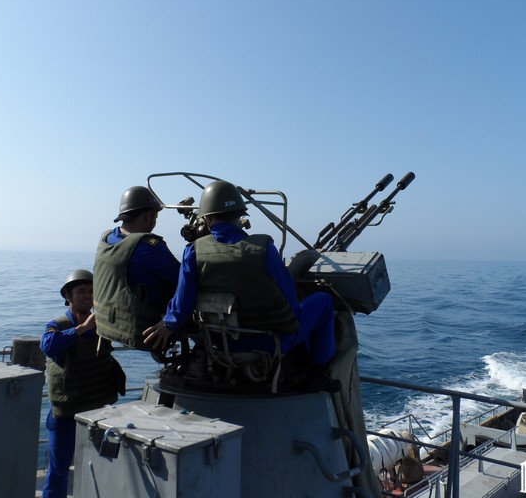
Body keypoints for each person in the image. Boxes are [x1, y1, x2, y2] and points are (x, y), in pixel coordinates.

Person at [143, 180, 336, 367]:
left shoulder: (193, 252)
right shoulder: (264, 248)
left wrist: (169, 323)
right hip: (270, 342)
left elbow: (184, 301)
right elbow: (290, 300)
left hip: (219, 343)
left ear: (207, 219)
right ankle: (321, 366)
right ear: (240, 216)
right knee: (324, 302)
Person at [41, 269, 125, 498]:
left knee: (102, 467)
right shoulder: (58, 325)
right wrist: (82, 328)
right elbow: (48, 345)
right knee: (58, 471)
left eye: (91, 291)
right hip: (67, 414)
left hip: (98, 410)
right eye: (81, 291)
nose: (87, 296)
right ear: (68, 296)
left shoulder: (103, 325)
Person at [93, 186, 181, 348]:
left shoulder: (106, 238)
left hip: (107, 324)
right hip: (143, 329)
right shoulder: (148, 247)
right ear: (148, 215)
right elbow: (184, 280)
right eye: (155, 217)